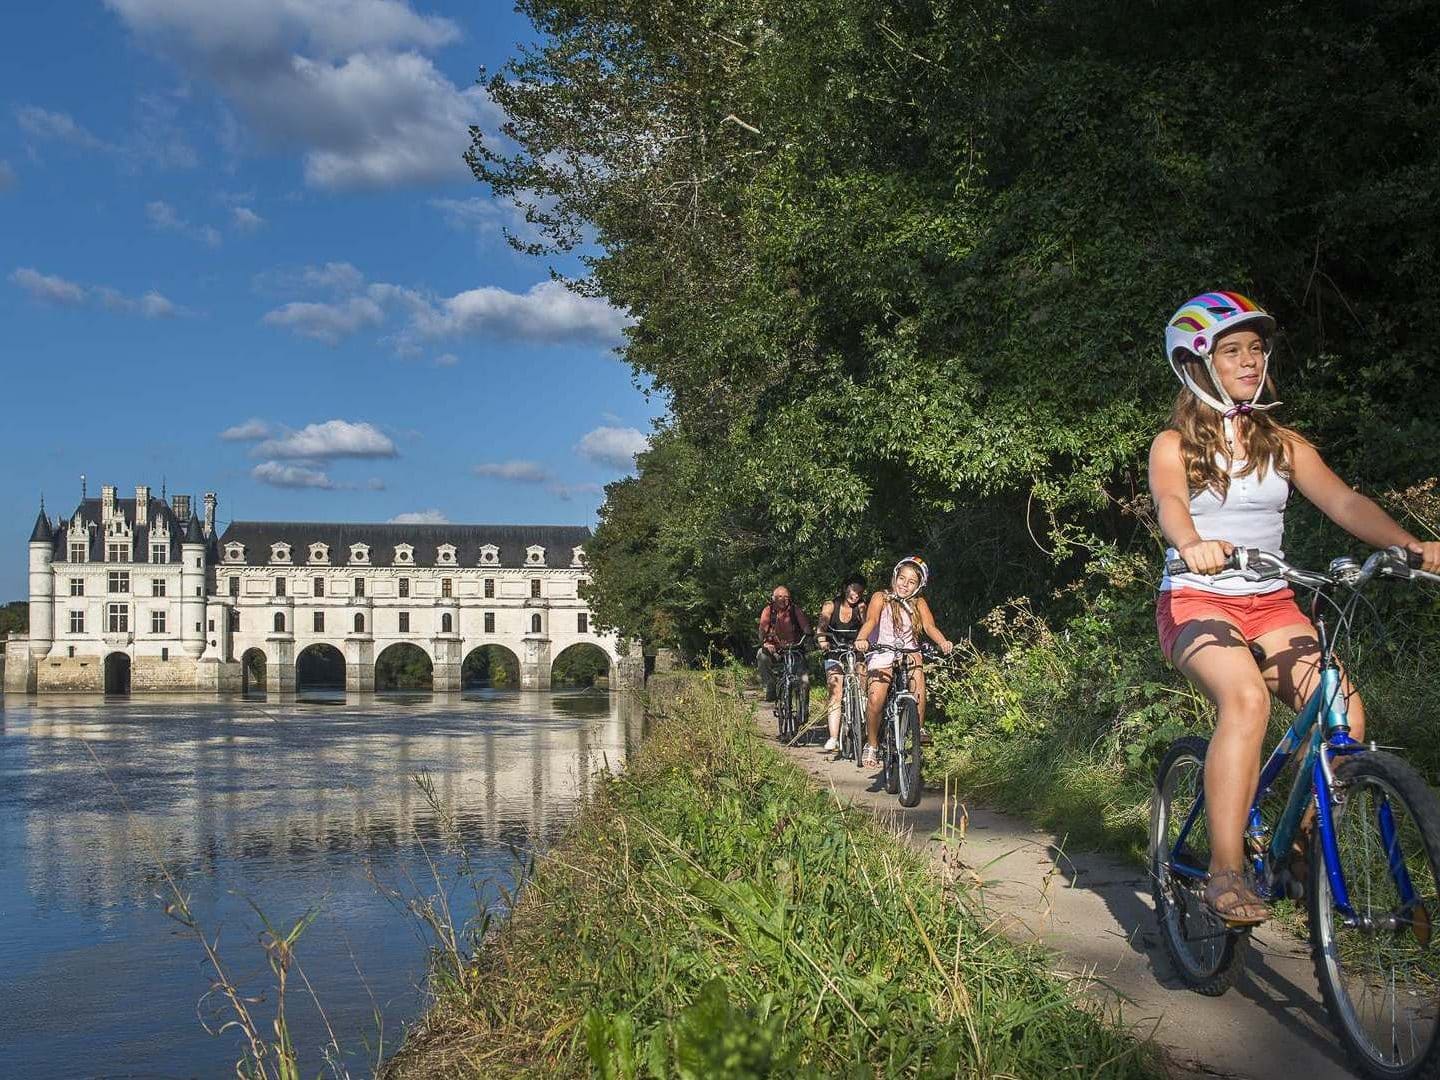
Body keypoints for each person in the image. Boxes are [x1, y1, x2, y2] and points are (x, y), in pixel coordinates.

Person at [1150, 289, 1440, 926]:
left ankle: (1305, 843)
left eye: (1257, 348)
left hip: (1272, 599)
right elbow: (1172, 503)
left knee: (1346, 711)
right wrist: (1192, 543)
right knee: (1246, 700)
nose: (1251, 360)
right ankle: (1225, 871)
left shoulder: (1282, 444)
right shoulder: (1174, 445)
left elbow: (1343, 503)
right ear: (1197, 364)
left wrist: (1410, 546)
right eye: (1233, 351)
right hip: (1198, 599)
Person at [854, 557, 953, 769]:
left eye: (911, 582)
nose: (904, 585)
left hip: (908, 650)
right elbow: (871, 621)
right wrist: (861, 639)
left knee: (918, 675)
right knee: (876, 698)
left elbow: (929, 627)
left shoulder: (919, 603)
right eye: (902, 578)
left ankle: (918, 727)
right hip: (882, 650)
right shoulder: (881, 597)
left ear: (918, 586)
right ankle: (872, 744)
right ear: (895, 577)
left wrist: (943, 641)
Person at [816, 573, 867, 753]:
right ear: (845, 588)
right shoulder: (831, 605)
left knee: (862, 685)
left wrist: (865, 640)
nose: (856, 594)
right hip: (835, 651)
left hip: (855, 651)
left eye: (860, 592)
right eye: (853, 590)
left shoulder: (861, 607)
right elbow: (821, 626)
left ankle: (864, 725)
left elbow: (867, 624)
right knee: (835, 692)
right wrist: (823, 641)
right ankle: (833, 737)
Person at [756, 585, 811, 705]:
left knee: (803, 678)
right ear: (773, 598)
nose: (783, 599)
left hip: (794, 648)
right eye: (780, 596)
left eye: (786, 597)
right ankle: (771, 685)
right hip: (775, 649)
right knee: (761, 655)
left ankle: (802, 705)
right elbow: (762, 630)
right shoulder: (768, 611)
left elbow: (806, 627)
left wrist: (808, 635)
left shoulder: (795, 610)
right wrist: (764, 644)